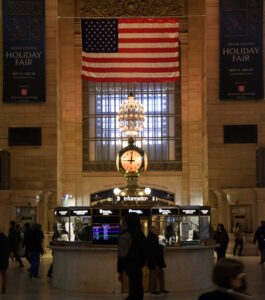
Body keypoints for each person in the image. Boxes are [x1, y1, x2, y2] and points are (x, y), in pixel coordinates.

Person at [117, 213, 147, 300]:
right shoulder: (140, 233)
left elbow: (121, 254)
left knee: (135, 290)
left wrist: (120, 271)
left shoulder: (125, 234)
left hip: (129, 266)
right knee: (137, 291)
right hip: (137, 267)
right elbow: (145, 249)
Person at [147, 226, 168, 295]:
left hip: (158, 259)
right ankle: (154, 290)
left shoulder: (157, 237)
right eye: (156, 230)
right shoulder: (150, 238)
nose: (158, 231)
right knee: (154, 275)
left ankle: (162, 288)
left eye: (158, 230)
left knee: (161, 274)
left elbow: (163, 245)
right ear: (152, 230)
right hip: (154, 260)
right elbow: (151, 251)